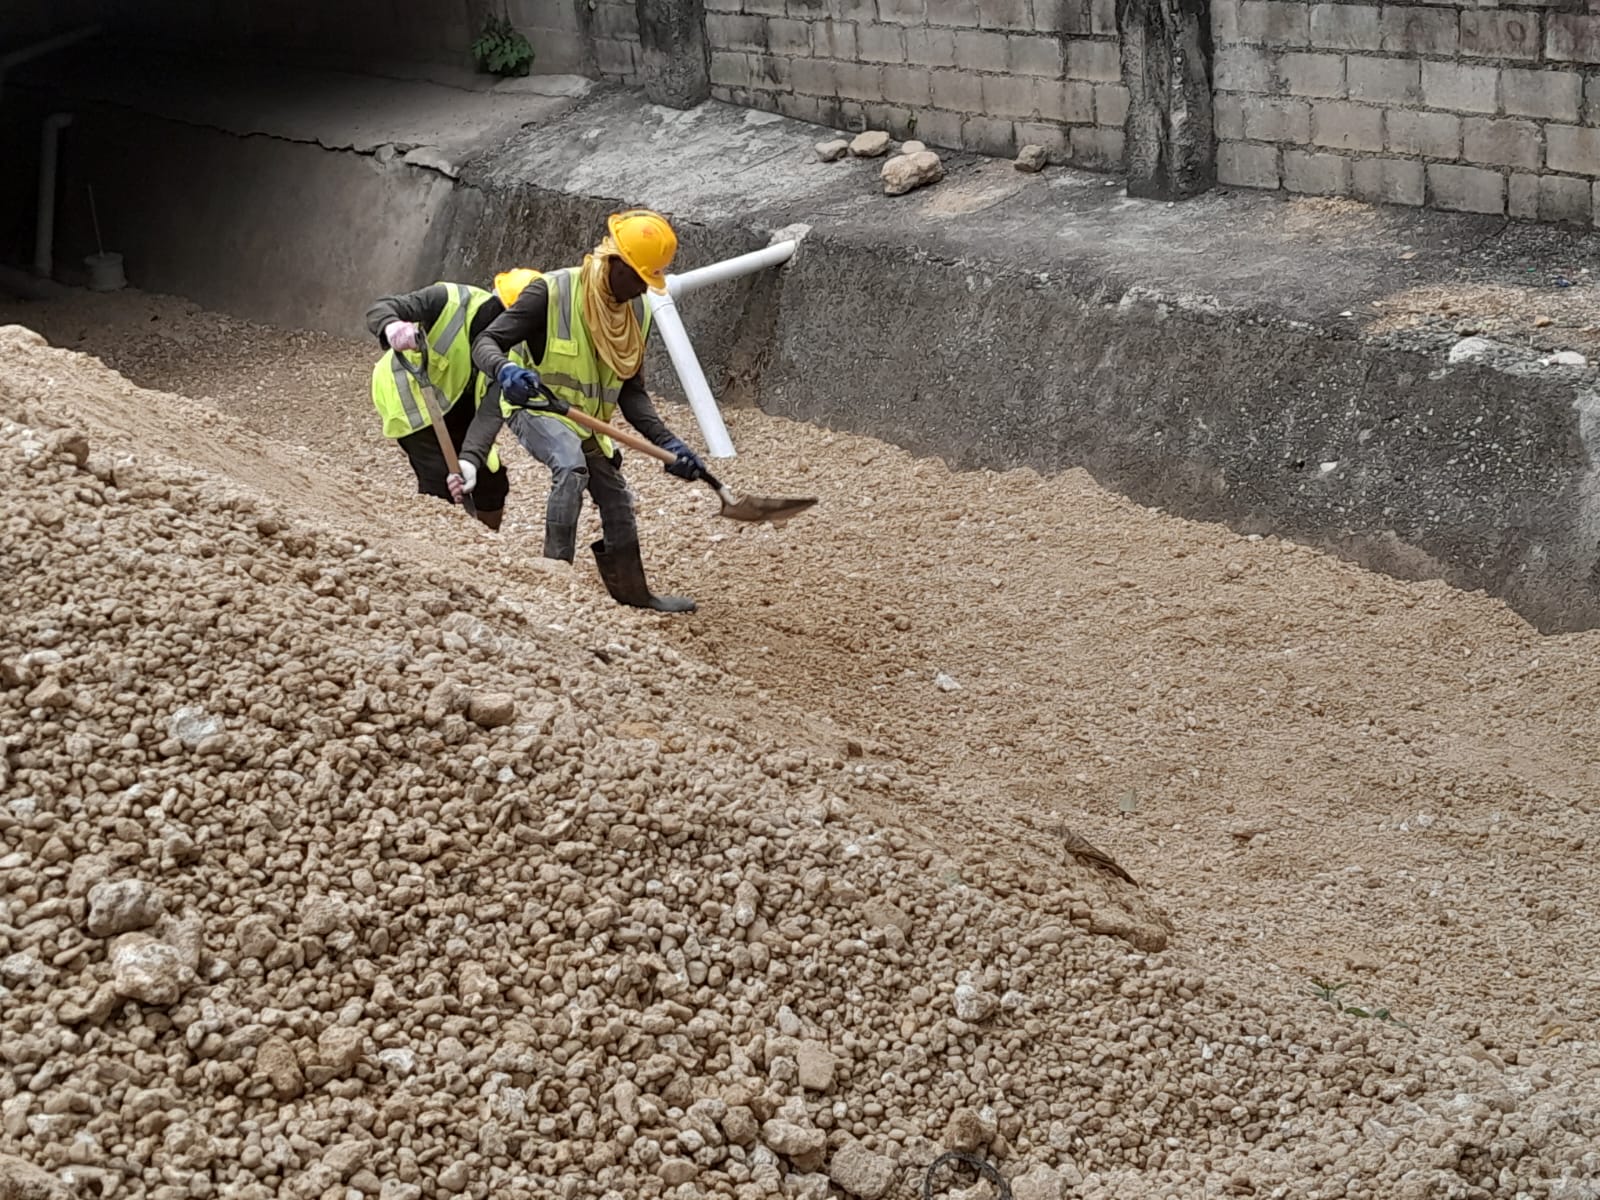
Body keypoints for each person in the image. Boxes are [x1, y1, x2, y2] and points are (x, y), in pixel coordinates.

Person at [452, 209, 706, 613]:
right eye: (641, 278)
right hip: (534, 406)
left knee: (616, 496)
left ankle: (633, 594)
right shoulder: (550, 292)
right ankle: (554, 580)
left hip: (584, 420)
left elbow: (631, 394)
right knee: (570, 466)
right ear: (616, 263)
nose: (644, 290)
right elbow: (487, 340)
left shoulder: (636, 313)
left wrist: (669, 443)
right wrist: (506, 370)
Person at [365, 281, 532, 531]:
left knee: (491, 482)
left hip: (458, 402)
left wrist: (469, 460)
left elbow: (490, 411)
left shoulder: (516, 351)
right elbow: (382, 307)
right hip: (409, 400)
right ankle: (435, 547)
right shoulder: (448, 299)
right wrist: (392, 326)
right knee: (438, 483)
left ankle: (484, 545)